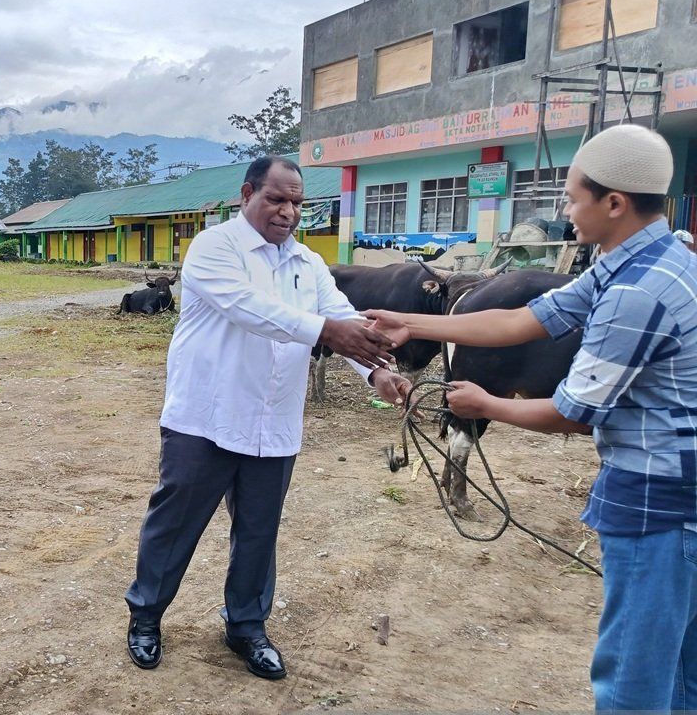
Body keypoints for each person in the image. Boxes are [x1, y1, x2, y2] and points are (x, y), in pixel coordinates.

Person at [367, 125, 697, 711]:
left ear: (613, 203)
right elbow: (524, 318)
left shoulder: (636, 292)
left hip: (659, 500)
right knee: (680, 675)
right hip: (676, 490)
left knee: (634, 679)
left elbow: (575, 412)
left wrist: (486, 406)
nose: (565, 212)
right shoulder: (644, 260)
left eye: (571, 198)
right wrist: (411, 323)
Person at [124, 156, 410, 680]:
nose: (288, 212)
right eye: (276, 199)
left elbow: (342, 317)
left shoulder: (307, 262)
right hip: (205, 419)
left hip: (273, 421)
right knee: (176, 522)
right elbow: (248, 308)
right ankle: (146, 615)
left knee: (259, 530)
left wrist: (378, 373)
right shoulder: (214, 247)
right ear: (247, 194)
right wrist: (326, 331)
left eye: (297, 202)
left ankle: (247, 627)